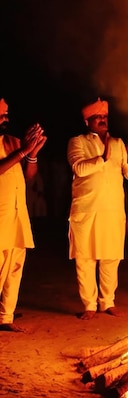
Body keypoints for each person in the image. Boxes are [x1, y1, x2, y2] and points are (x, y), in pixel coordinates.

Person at [67, 98, 128, 320]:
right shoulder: (77, 142)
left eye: (105, 117)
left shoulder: (119, 143)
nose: (102, 120)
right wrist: (102, 158)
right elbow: (79, 168)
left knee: (110, 258)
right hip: (86, 209)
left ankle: (107, 302)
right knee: (85, 258)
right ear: (87, 121)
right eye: (97, 117)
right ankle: (89, 305)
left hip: (112, 210)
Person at [0, 99, 46, 332]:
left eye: (6, 114)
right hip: (0, 216)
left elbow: (29, 175)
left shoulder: (13, 141)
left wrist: (32, 154)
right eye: (1, 115)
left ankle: (5, 317)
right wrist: (22, 151)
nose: (5, 119)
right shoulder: (16, 146)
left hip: (17, 216)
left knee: (15, 267)